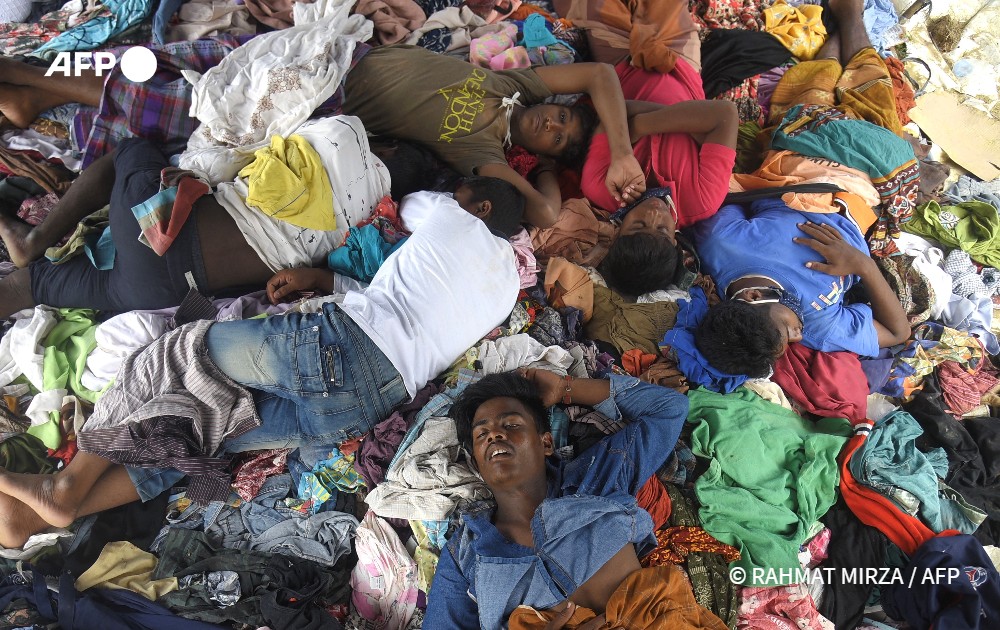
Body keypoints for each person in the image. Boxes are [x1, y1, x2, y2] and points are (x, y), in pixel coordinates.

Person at [0, 180, 524, 549]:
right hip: (365, 406)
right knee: (199, 430)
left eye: (463, 197)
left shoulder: (453, 215)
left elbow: (407, 207)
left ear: (478, 207)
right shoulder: (506, 292)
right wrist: (323, 281)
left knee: (172, 354)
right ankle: (27, 519)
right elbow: (405, 300)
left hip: (339, 347)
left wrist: (447, 201)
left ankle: (63, 489)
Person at [0, 39, 645, 230]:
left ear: (538, 153)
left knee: (181, 104)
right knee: (168, 65)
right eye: (562, 116)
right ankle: (35, 88)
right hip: (325, 56)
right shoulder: (516, 84)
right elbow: (597, 75)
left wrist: (546, 174)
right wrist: (619, 150)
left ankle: (25, 83)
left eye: (557, 138)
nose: (553, 122)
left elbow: (546, 214)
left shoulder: (484, 152)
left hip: (309, 100)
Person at [0, 117, 522, 318]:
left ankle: (35, 237)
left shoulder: (347, 133)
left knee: (133, 148)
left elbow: (260, 145)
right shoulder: (382, 231)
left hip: (157, 233)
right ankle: (26, 261)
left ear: (387, 146)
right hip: (160, 294)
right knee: (36, 286)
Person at [674, 0, 913, 379]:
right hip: (864, 185)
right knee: (873, 95)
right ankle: (848, 17)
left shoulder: (721, 247)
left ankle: (839, 21)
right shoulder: (817, 324)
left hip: (803, 157)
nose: (799, 337)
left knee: (813, 90)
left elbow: (729, 190)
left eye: (788, 333)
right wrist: (862, 265)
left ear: (751, 297)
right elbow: (899, 333)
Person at [424, 369, 726, 628]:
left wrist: (564, 388)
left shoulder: (599, 475)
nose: (494, 435)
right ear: (477, 464)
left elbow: (669, 408)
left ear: (546, 443)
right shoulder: (465, 555)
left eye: (511, 425)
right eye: (482, 435)